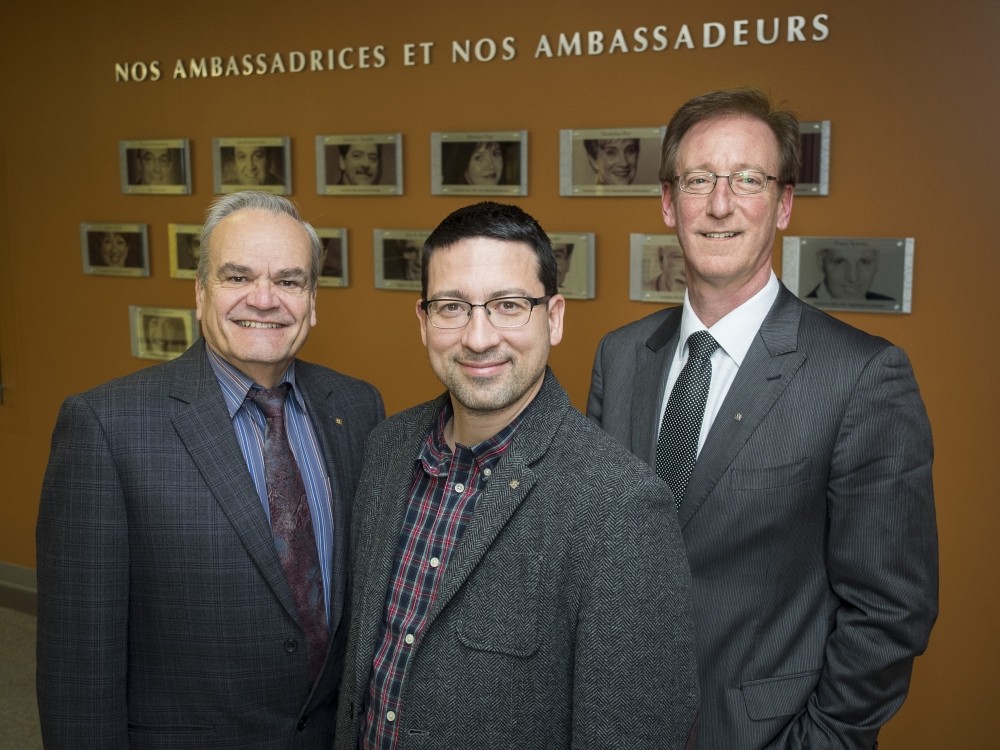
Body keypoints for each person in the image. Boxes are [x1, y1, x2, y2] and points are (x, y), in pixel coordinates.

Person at [587, 88, 937, 750]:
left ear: (781, 205)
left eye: (747, 179)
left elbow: (893, 612)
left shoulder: (861, 377)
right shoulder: (622, 357)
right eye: (699, 180)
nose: (720, 204)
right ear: (669, 203)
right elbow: (599, 557)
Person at [335, 201, 698, 749]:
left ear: (553, 317)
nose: (479, 337)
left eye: (508, 305)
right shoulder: (387, 448)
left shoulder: (620, 506)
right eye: (452, 307)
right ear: (423, 320)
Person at [37, 191, 386, 748]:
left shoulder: (358, 407)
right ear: (200, 293)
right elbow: (79, 664)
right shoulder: (106, 426)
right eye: (237, 276)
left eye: (290, 281)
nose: (265, 299)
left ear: (313, 301)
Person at [807, 245, 895, 301]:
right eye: (840, 262)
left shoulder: (888, 302)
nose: (853, 278)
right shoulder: (799, 309)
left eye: (864, 262)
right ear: (820, 261)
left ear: (877, 262)